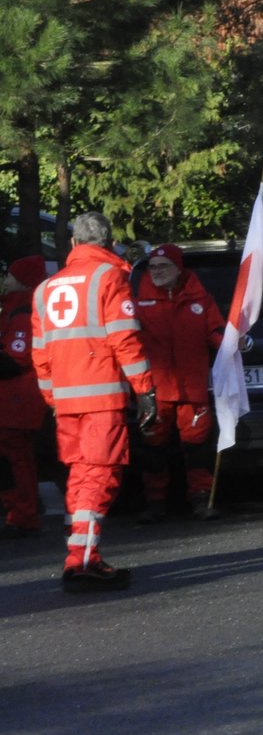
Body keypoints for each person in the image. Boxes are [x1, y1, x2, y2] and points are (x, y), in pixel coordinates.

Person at [32, 213, 158, 591]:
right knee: (99, 476)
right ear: (107, 243)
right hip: (102, 395)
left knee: (80, 476)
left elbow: (40, 353)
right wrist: (145, 390)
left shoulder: (45, 289)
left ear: (72, 244)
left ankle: (80, 554)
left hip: (66, 402)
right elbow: (125, 339)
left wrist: (52, 395)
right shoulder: (109, 278)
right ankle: (84, 560)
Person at [132, 244, 226, 522]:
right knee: (153, 450)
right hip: (155, 389)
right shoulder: (138, 303)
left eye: (163, 266)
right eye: (153, 267)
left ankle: (201, 499)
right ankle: (155, 503)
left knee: (197, 447)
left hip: (192, 388)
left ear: (178, 268)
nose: (157, 271)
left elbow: (216, 332)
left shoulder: (201, 300)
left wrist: (235, 344)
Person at [0, 256, 49, 538]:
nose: (5, 280)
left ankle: (23, 514)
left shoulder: (21, 311)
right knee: (15, 460)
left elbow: (15, 359)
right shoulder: (14, 308)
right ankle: (19, 512)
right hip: (14, 400)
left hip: (16, 400)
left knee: (15, 460)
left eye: (9, 275)